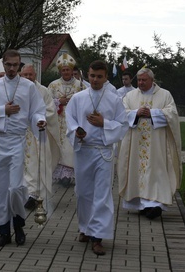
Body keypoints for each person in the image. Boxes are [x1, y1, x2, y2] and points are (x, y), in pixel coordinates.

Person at [0, 49, 46, 247]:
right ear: (3, 64)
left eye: (15, 65)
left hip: (18, 141)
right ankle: (4, 232)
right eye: (8, 65)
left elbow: (37, 111)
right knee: (0, 189)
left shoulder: (28, 87)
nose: (11, 69)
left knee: (16, 188)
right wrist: (3, 111)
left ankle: (19, 227)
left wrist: (40, 121)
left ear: (20, 66)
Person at [66, 60, 128, 256]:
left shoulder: (114, 99)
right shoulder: (78, 98)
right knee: (83, 193)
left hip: (103, 151)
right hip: (84, 151)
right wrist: (77, 131)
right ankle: (85, 228)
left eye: (99, 76)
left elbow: (123, 125)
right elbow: (70, 119)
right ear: (87, 74)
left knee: (101, 194)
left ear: (106, 77)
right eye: (92, 76)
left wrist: (105, 123)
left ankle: (97, 237)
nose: (95, 80)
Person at [117, 67, 182, 220]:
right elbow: (122, 113)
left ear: (152, 80)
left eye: (144, 80)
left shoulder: (165, 95)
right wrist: (136, 113)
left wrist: (152, 113)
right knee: (136, 171)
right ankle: (142, 205)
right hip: (135, 144)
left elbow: (172, 113)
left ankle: (155, 205)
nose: (141, 83)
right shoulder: (130, 96)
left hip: (157, 145)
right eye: (139, 80)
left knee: (156, 172)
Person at [20, 64, 61, 210]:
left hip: (37, 134)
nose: (28, 78)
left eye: (31, 75)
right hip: (20, 134)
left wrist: (40, 119)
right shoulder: (17, 90)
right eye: (25, 75)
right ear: (21, 75)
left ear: (35, 75)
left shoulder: (43, 91)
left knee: (36, 164)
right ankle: (24, 194)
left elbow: (50, 110)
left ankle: (36, 195)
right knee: (22, 164)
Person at [47, 53, 85, 186]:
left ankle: (68, 175)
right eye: (63, 70)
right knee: (59, 146)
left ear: (72, 70)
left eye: (68, 69)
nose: (66, 72)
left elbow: (85, 102)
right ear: (60, 71)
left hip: (72, 121)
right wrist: (58, 101)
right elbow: (47, 103)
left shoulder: (80, 85)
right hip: (57, 121)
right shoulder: (53, 85)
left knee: (70, 146)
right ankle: (60, 174)